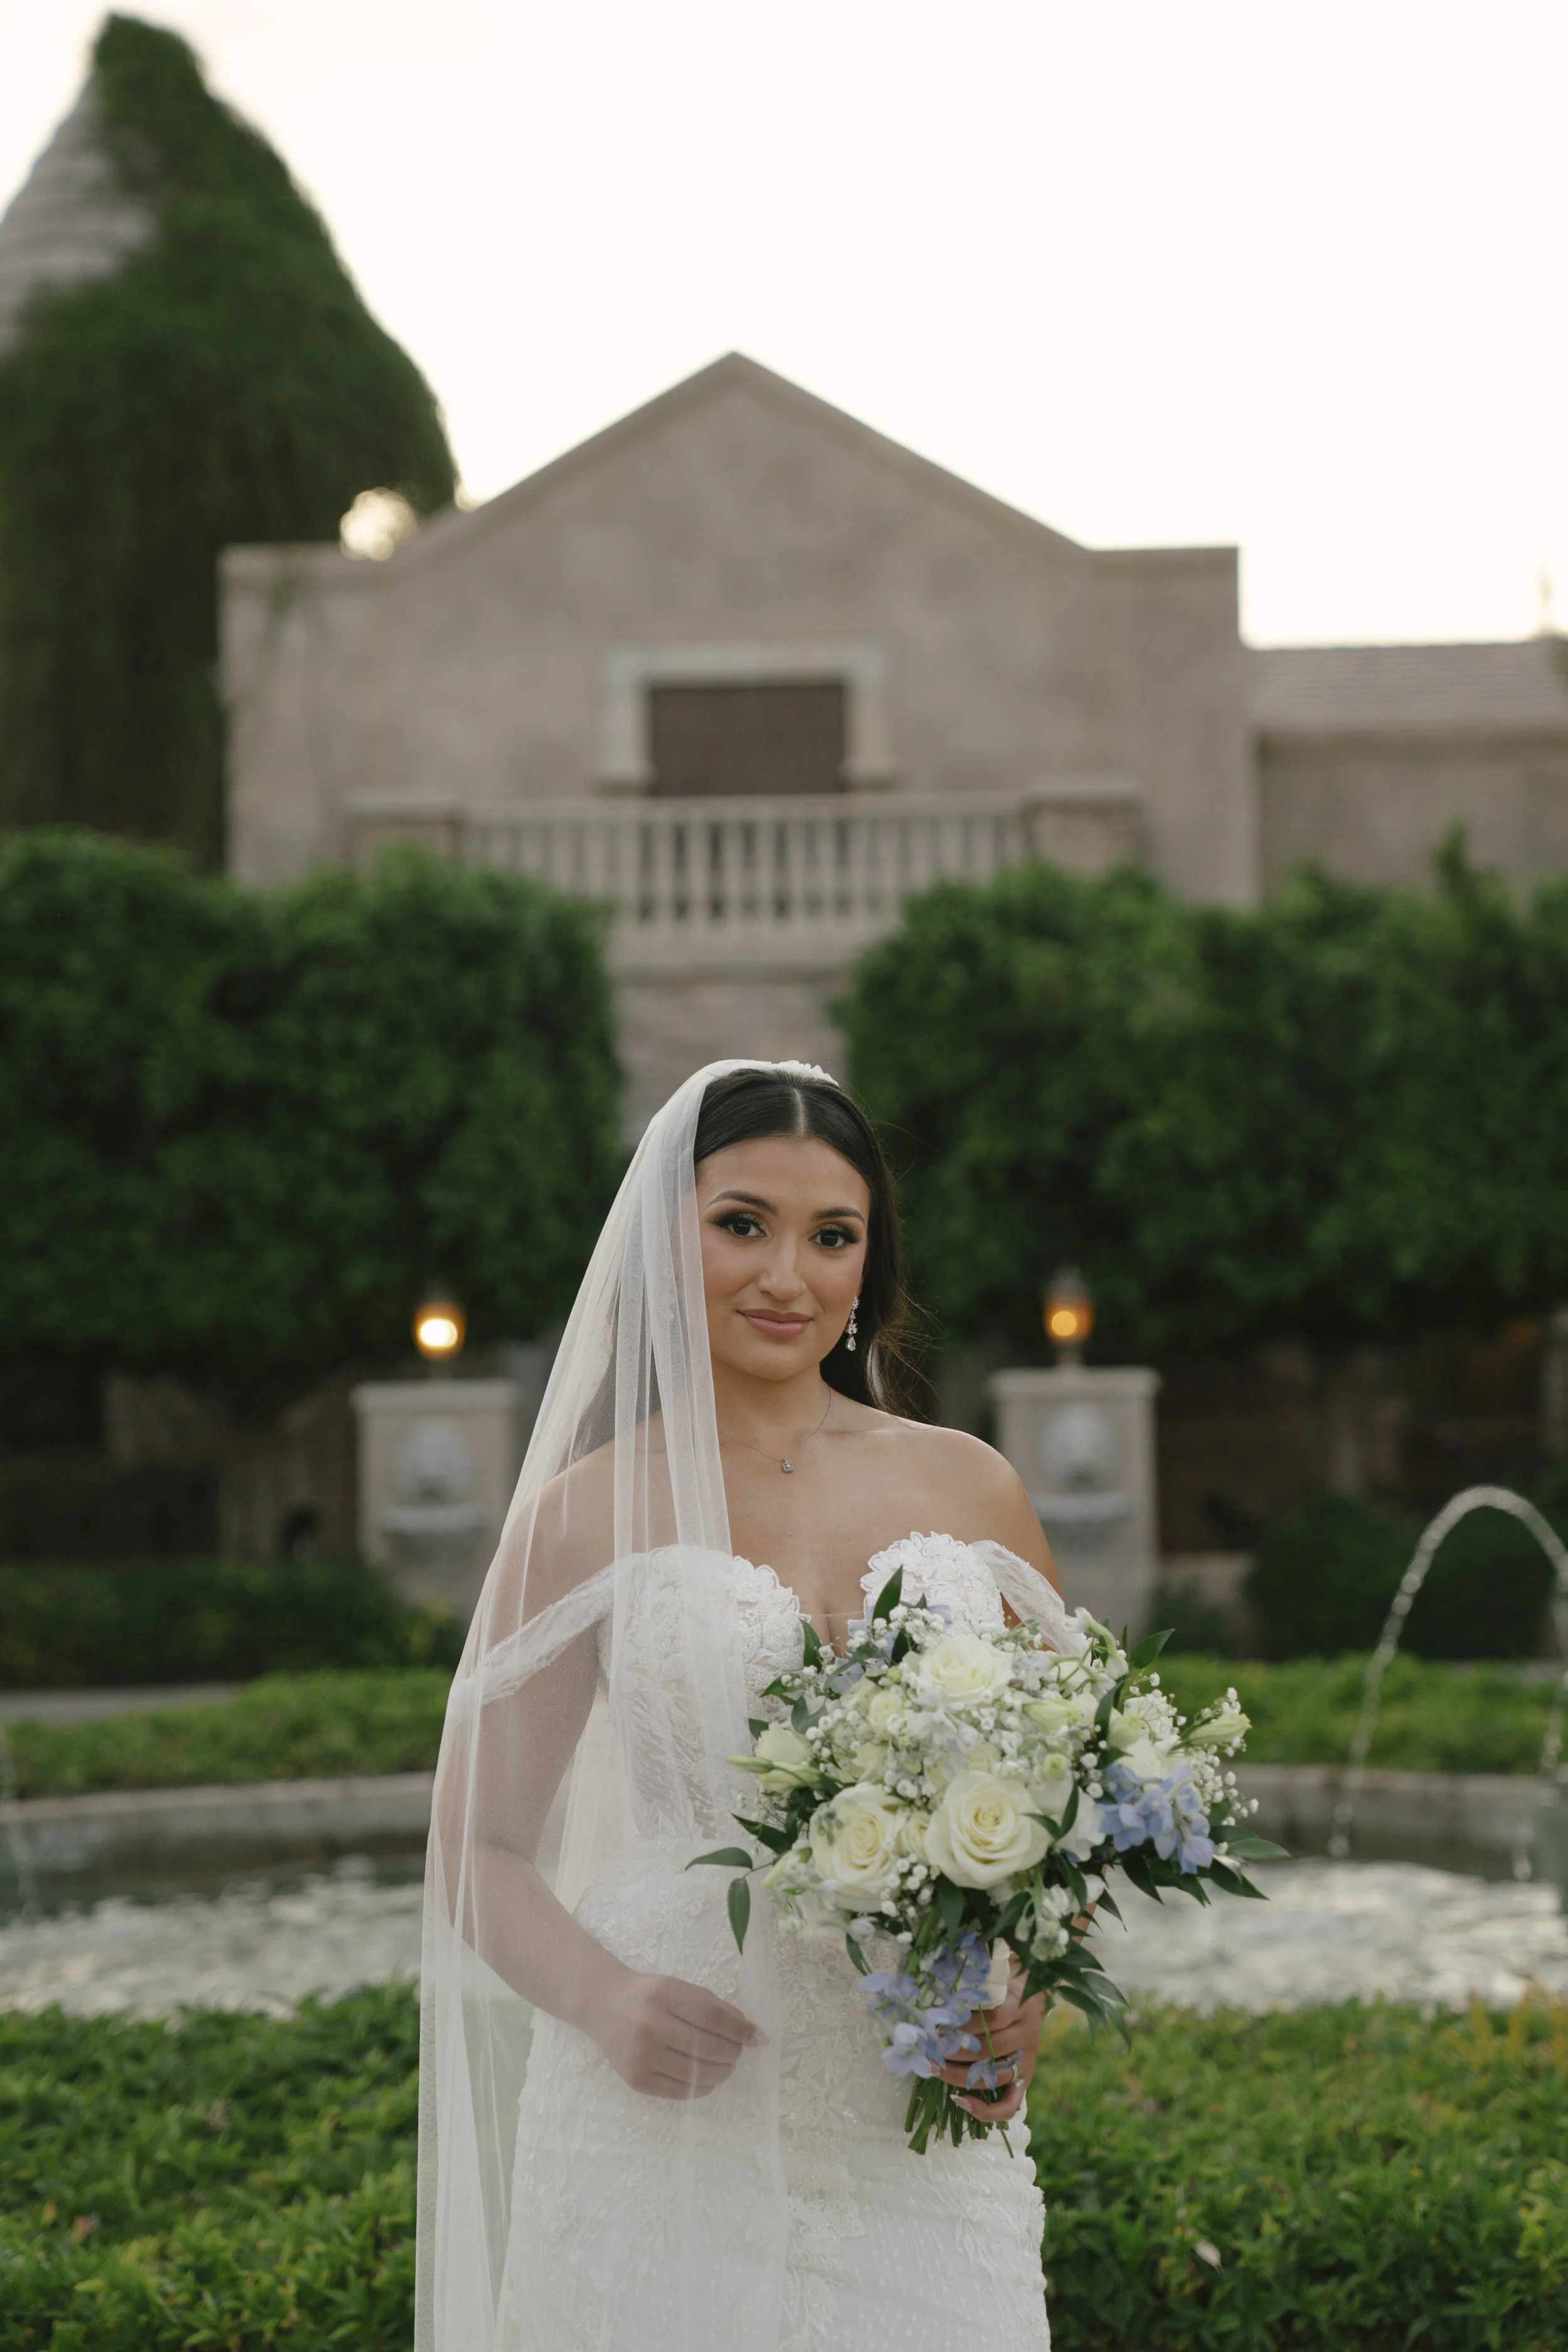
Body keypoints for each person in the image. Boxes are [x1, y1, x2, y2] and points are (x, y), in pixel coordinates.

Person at [416, 1059, 1083, 2351]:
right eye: (741, 1225)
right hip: (665, 2102)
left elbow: (1070, 1793)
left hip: (914, 2115)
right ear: (665, 1240)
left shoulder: (971, 1483)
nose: (787, 1275)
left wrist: (1026, 1994)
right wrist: (603, 2000)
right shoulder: (581, 1514)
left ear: (865, 1261)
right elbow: (476, 1846)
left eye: (831, 1236)